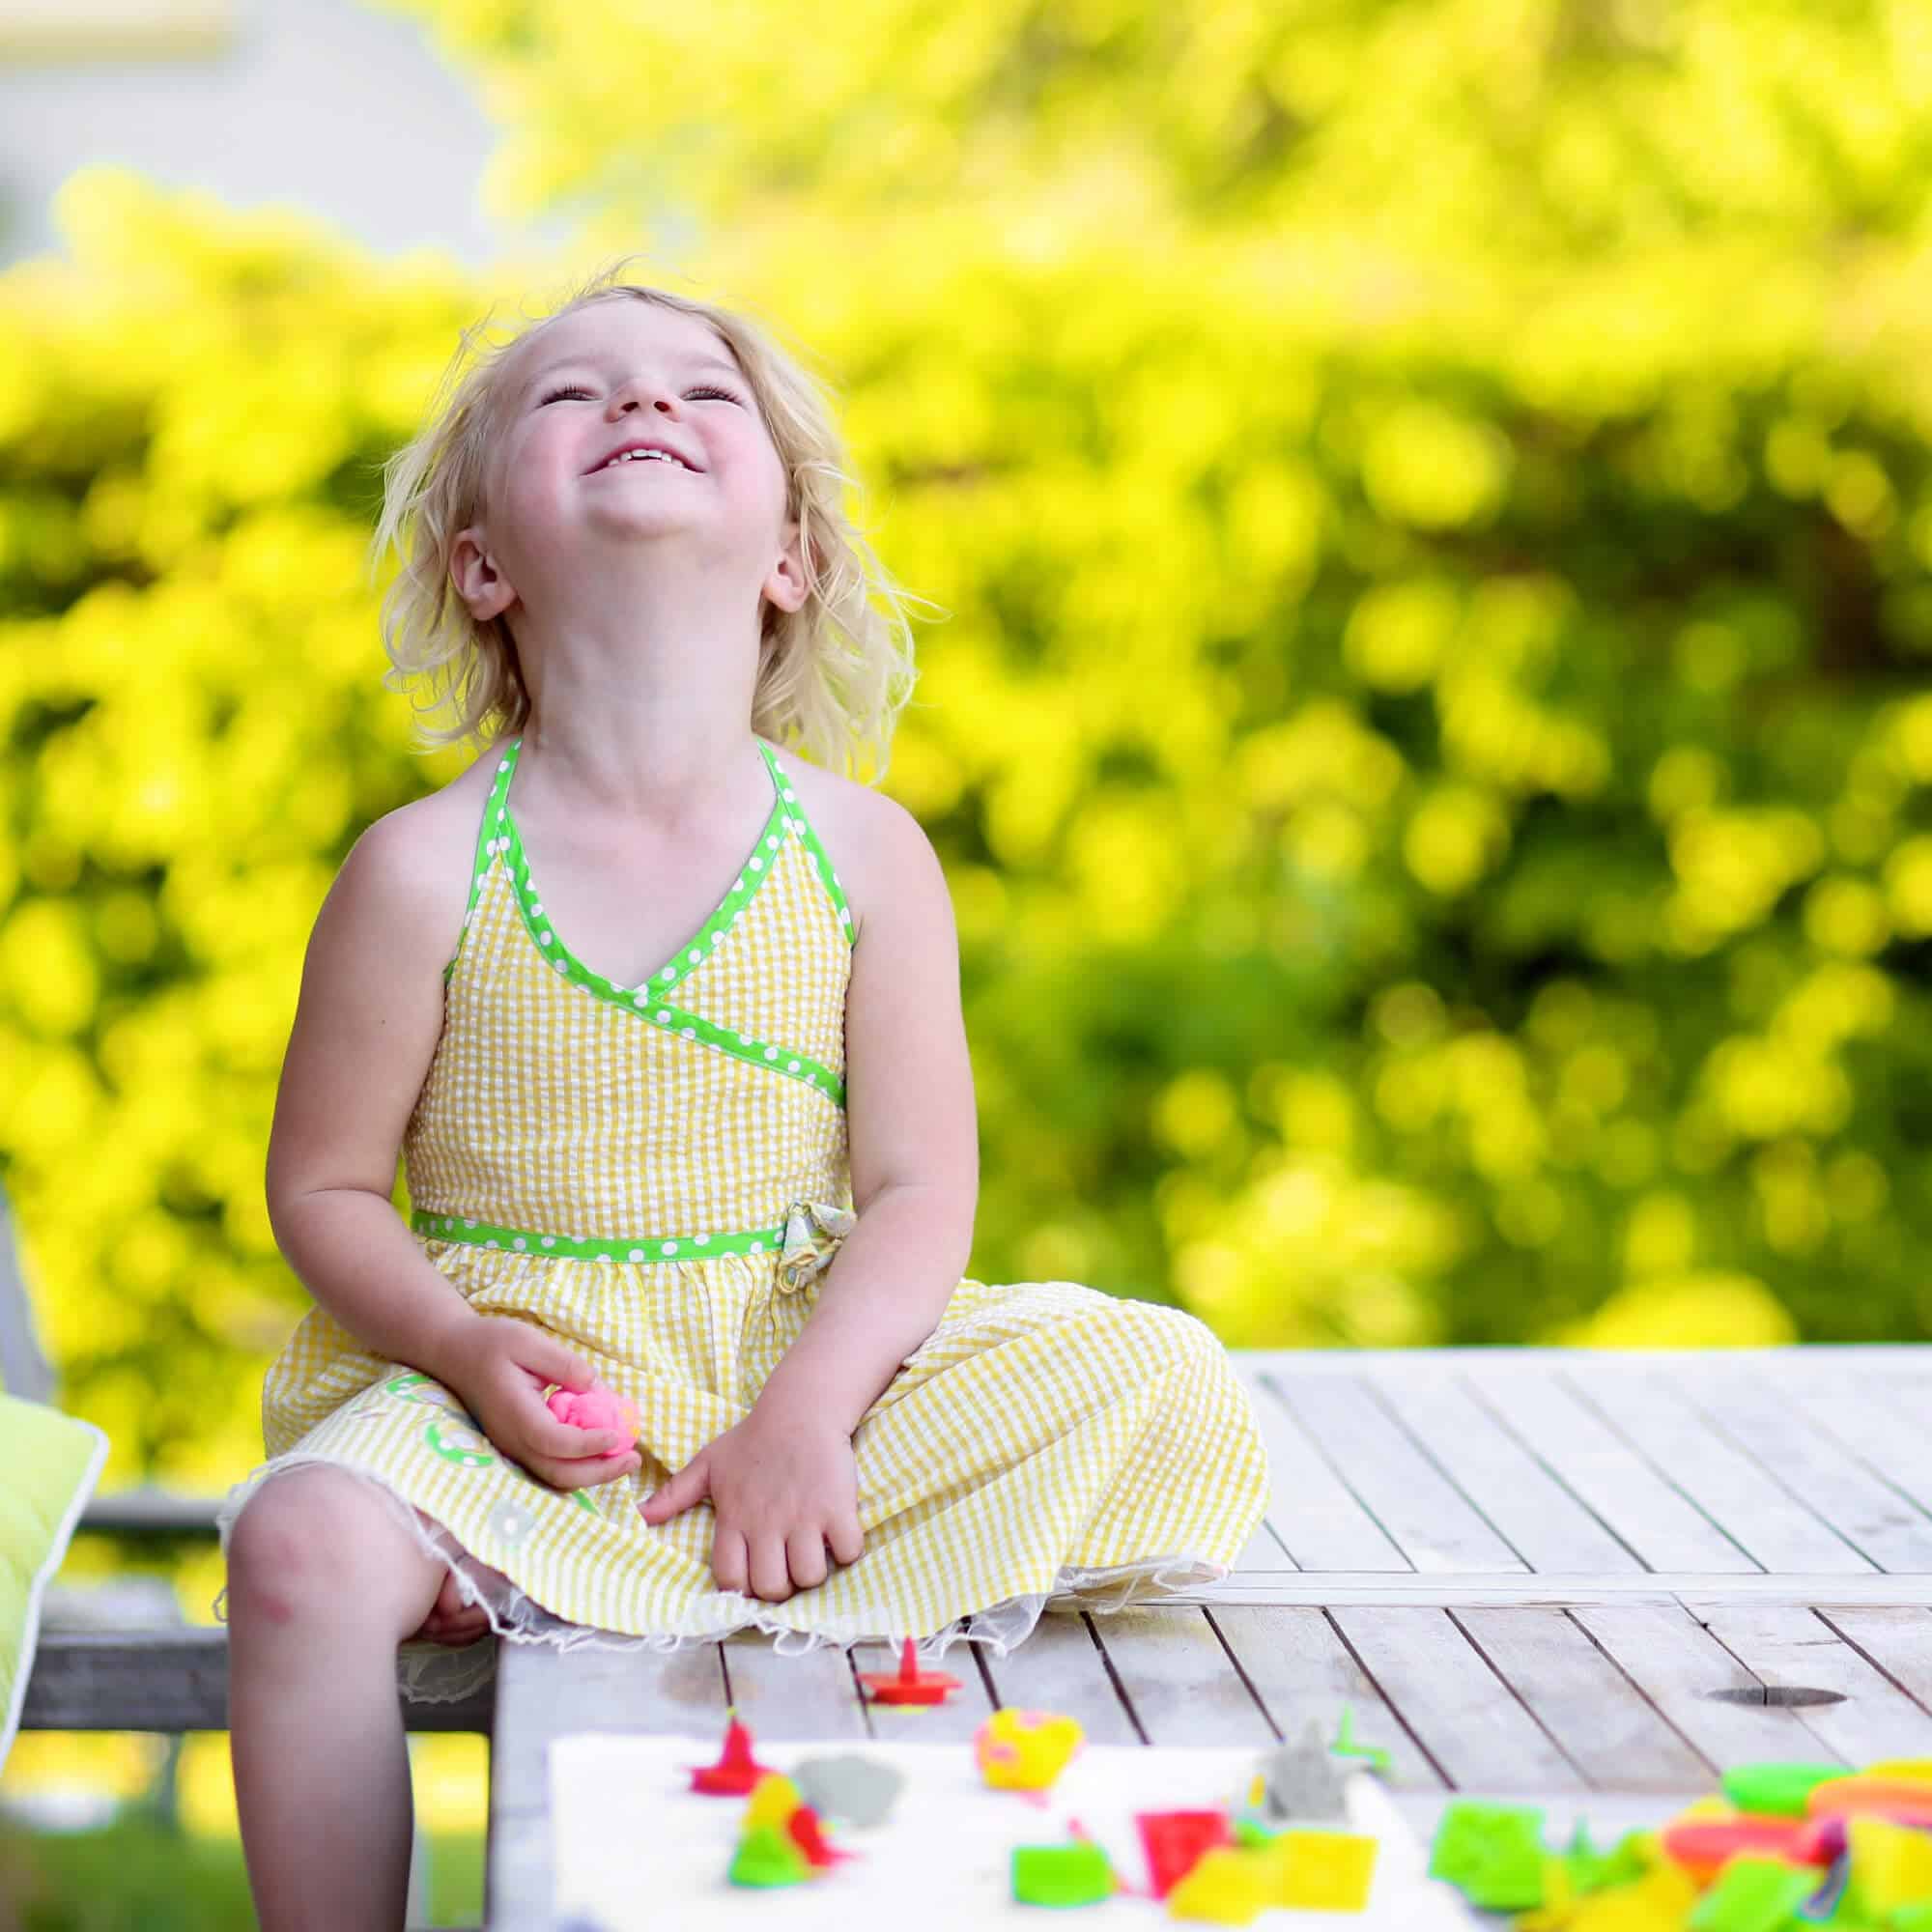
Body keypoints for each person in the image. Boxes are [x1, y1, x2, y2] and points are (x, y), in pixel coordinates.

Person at [213, 257, 1271, 1928]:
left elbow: (921, 1190)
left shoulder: (861, 852)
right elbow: (327, 1191)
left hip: (795, 1367)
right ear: (483, 564)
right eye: (575, 393)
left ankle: (781, 1543)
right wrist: (464, 1355)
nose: (643, 403)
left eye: (702, 393)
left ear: (789, 555)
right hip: (528, 1399)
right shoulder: (419, 874)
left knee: (1156, 1365)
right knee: (295, 1547)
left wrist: (809, 1419)